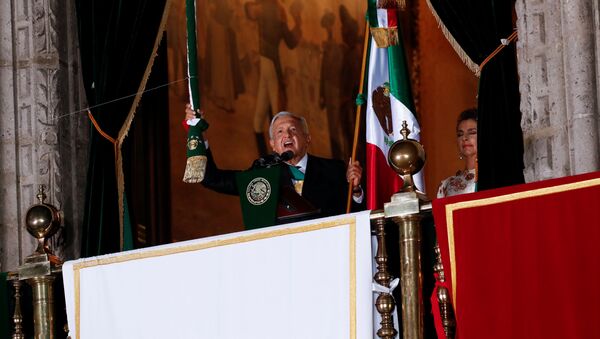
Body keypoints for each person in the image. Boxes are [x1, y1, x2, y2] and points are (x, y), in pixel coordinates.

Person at [185, 105, 364, 218]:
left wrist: (355, 190)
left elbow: (357, 214)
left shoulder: (335, 170)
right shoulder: (263, 172)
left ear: (307, 138)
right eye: (280, 132)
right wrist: (199, 135)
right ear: (273, 145)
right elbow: (212, 179)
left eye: (293, 129)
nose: (287, 135)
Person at [437, 108, 478, 198]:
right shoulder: (447, 185)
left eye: (472, 132)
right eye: (460, 134)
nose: (464, 138)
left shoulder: (495, 178)